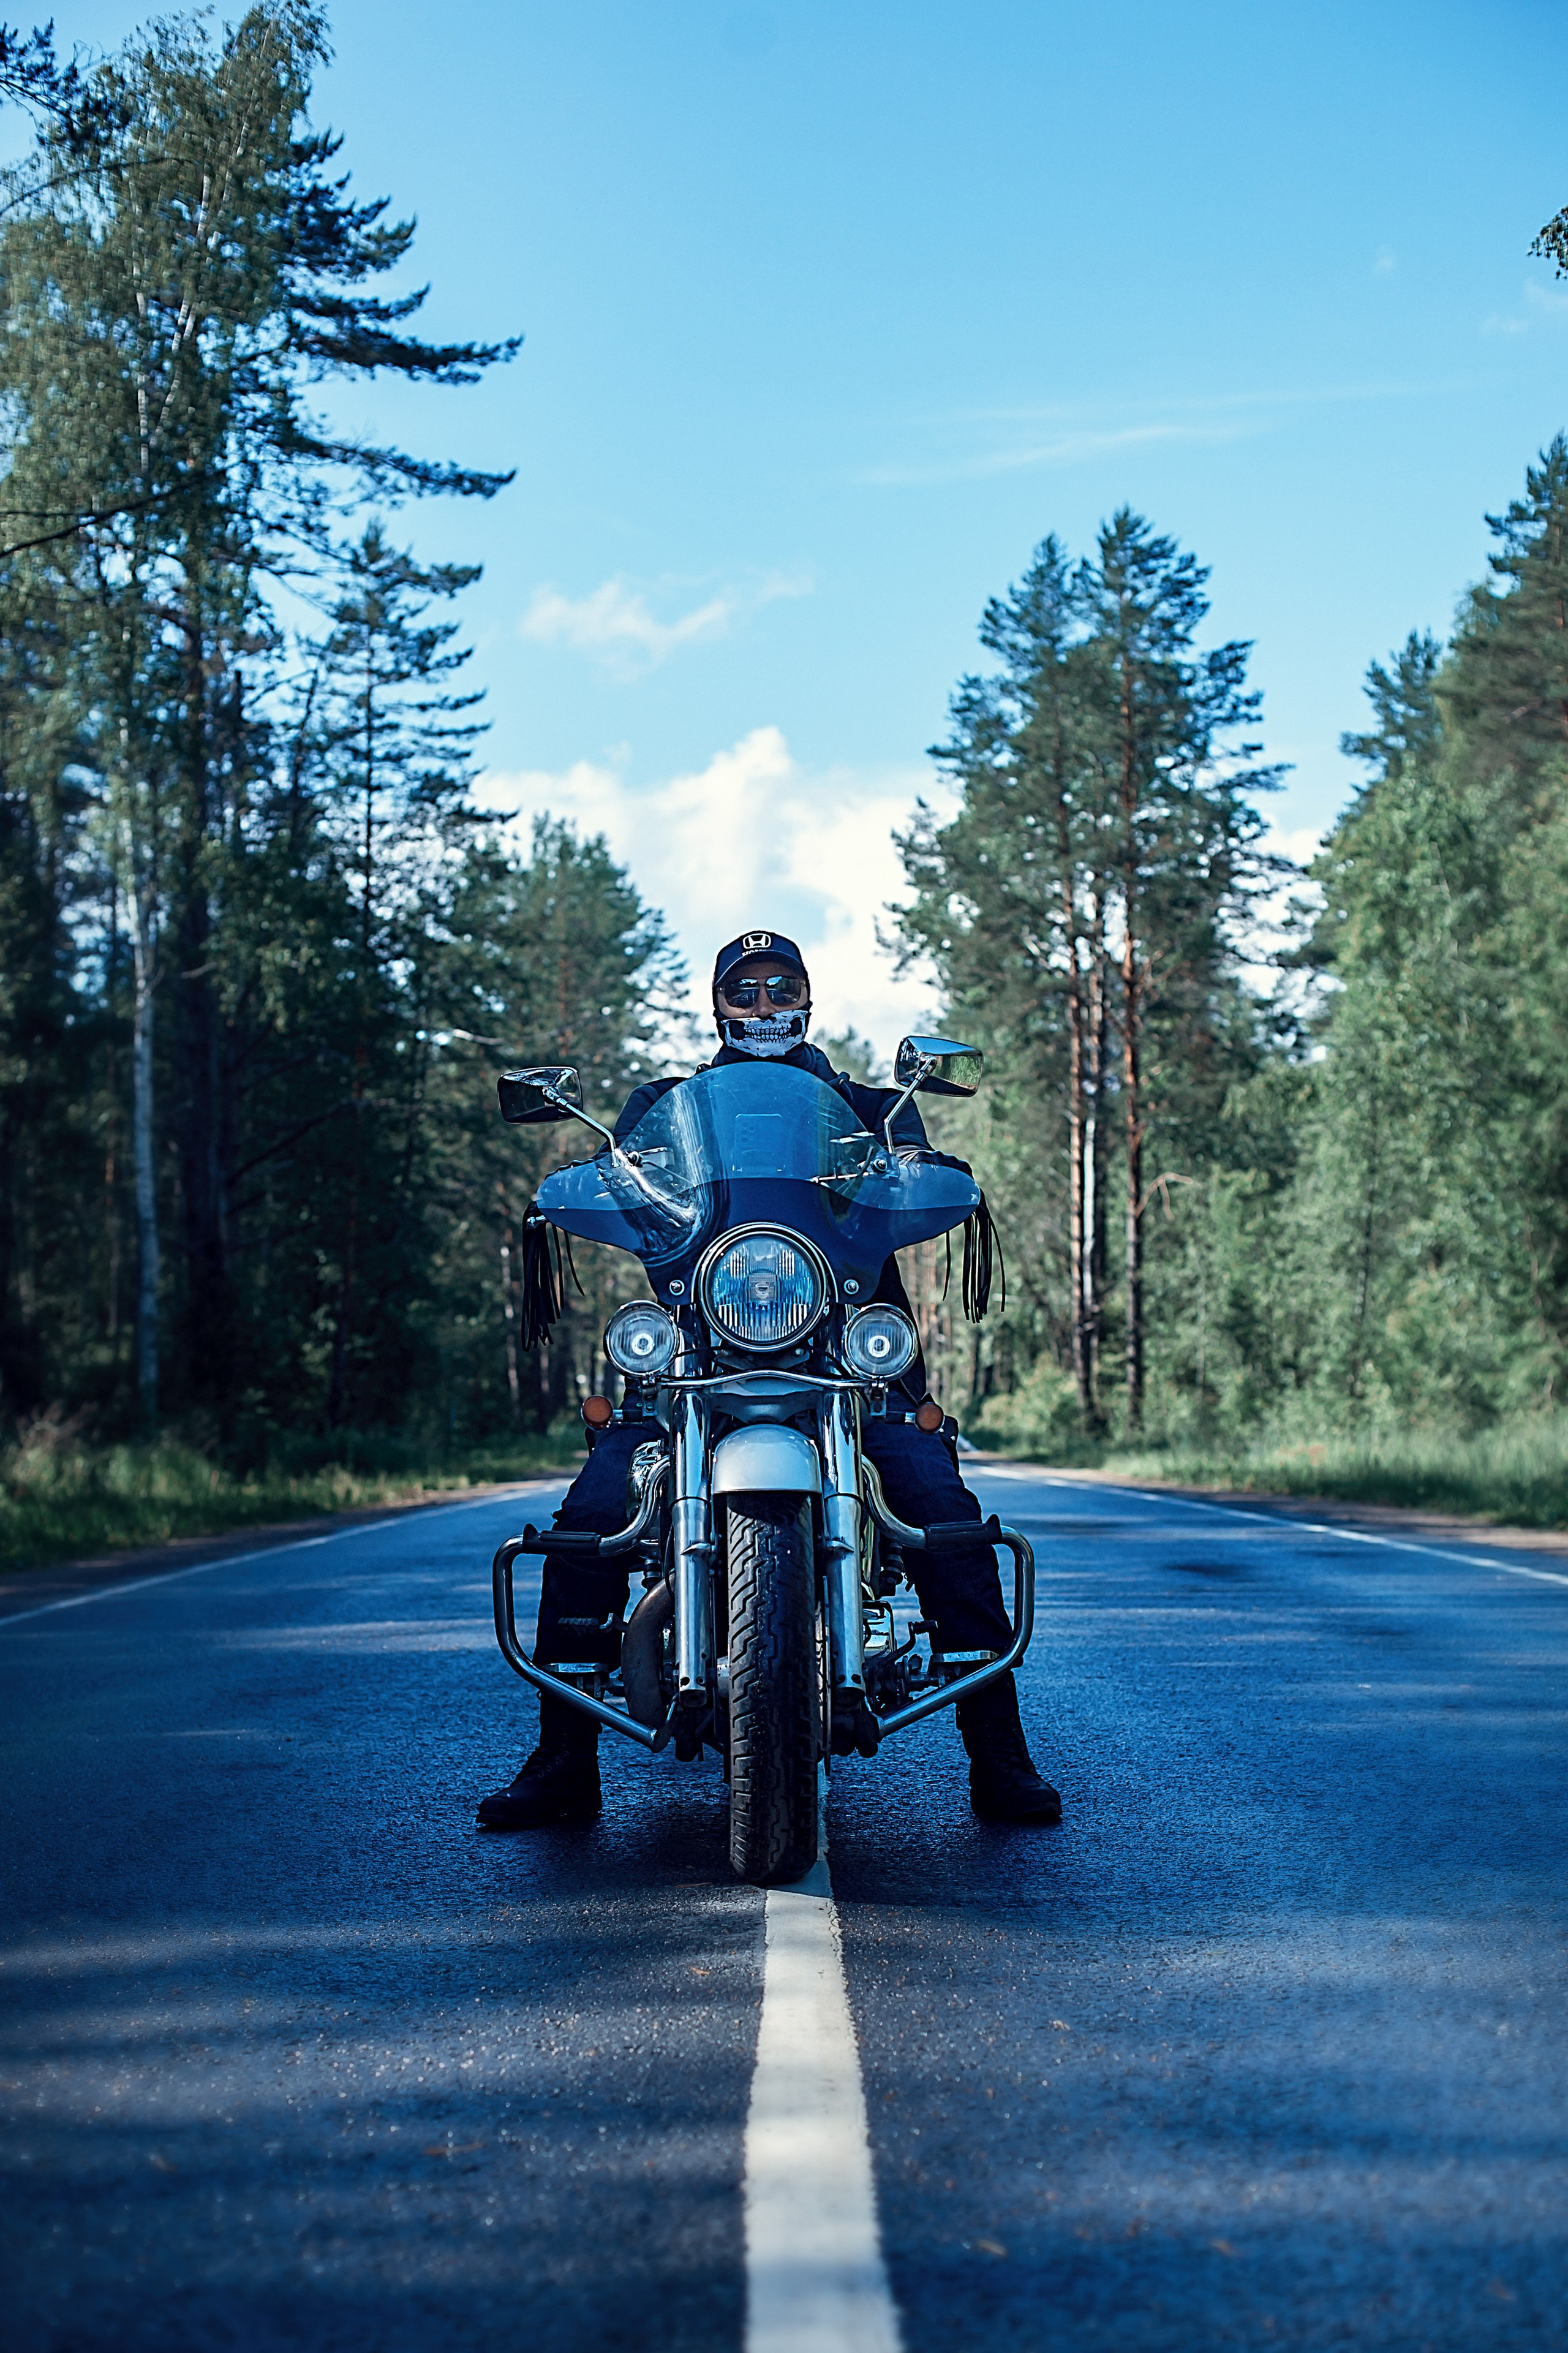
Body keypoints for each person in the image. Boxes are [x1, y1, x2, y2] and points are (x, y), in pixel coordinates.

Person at [478, 929, 1062, 1832]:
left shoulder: (867, 1105)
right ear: (717, 1004)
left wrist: (929, 1172)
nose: (761, 1004)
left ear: (807, 998)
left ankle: (1001, 1754)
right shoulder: (664, 1105)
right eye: (742, 990)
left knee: (936, 1498)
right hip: (692, 1361)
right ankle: (562, 1757)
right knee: (593, 1510)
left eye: (778, 986)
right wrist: (586, 1180)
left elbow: (915, 1174)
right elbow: (623, 1181)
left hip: (844, 1365)